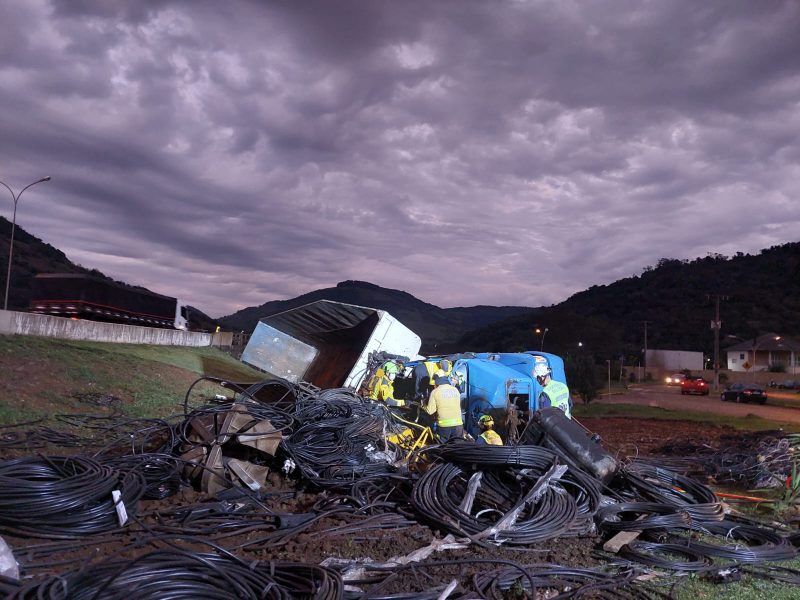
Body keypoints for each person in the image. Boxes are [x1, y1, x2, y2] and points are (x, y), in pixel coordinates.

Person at [424, 374, 463, 441]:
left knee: (444, 446)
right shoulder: (455, 390)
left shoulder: (435, 391)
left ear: (437, 383)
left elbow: (430, 411)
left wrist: (424, 405)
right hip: (458, 425)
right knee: (457, 446)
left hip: (444, 426)